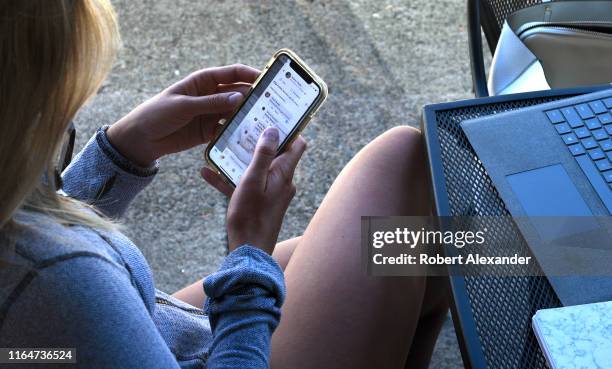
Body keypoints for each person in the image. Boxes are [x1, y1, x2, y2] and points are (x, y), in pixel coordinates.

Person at [0, 1, 448, 368]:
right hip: (218, 354)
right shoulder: (58, 281)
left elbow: (41, 334)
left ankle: (517, 252)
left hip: (144, 331)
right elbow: (58, 295)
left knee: (414, 252)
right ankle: (521, 251)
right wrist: (249, 256)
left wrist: (121, 152)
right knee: (400, 165)